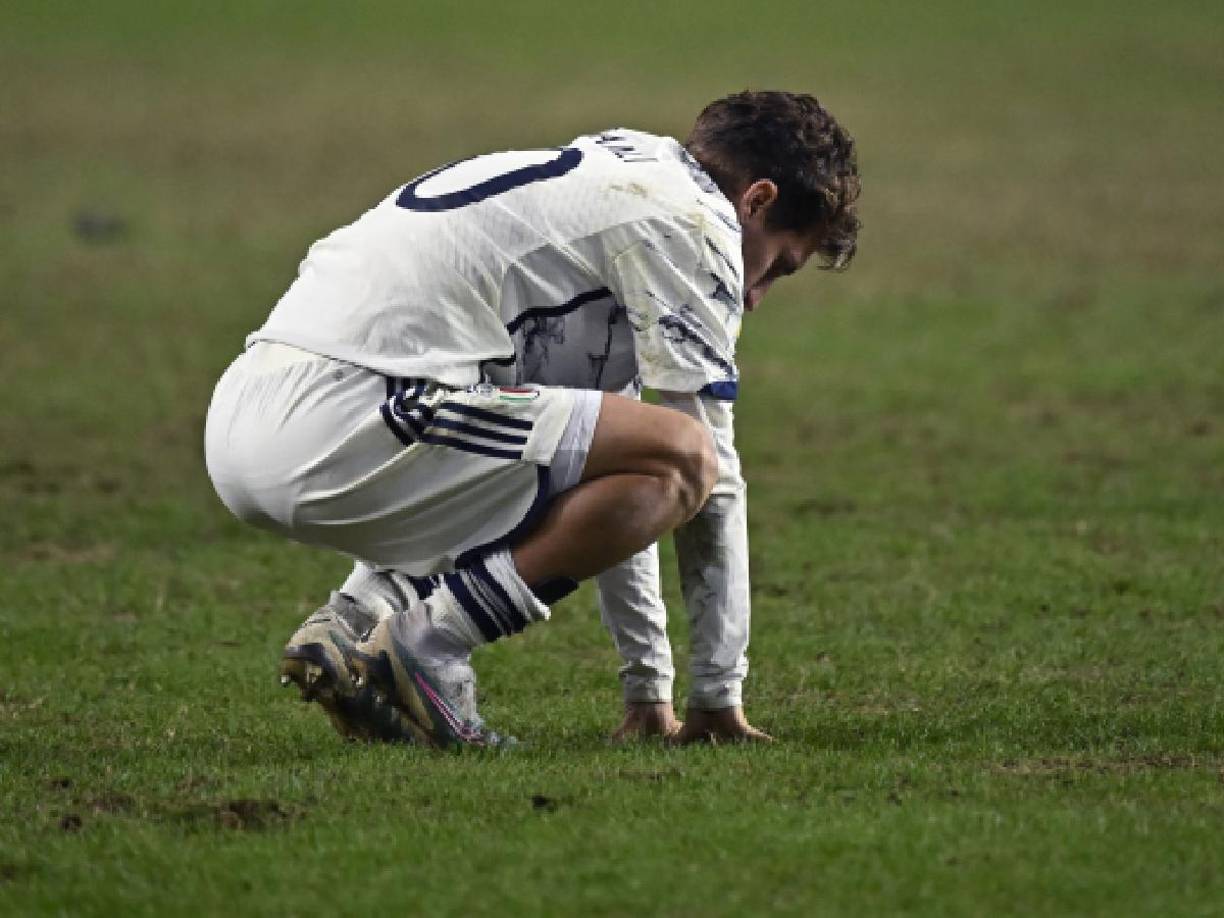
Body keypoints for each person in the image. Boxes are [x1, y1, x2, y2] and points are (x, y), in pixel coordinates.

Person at [204, 90, 860, 748]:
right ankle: (426, 645)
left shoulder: (623, 173)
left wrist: (648, 693)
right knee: (689, 455)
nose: (755, 295)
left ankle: (357, 619)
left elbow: (618, 456)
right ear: (757, 200)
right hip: (345, 414)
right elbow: (704, 475)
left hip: (256, 410)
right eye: (777, 265)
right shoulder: (693, 225)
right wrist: (717, 697)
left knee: (613, 448)